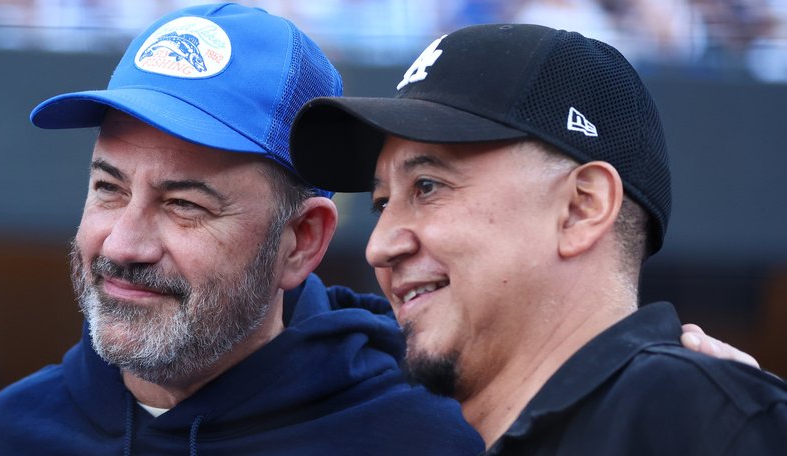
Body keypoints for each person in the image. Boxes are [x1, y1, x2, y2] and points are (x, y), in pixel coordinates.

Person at [0, 4, 484, 455]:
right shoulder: (10, 433)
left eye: (183, 204)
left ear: (301, 241)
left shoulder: (424, 438)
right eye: (109, 189)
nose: (123, 245)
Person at [289, 23, 787, 454]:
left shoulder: (693, 419)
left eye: (427, 187)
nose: (379, 247)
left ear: (581, 208)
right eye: (381, 204)